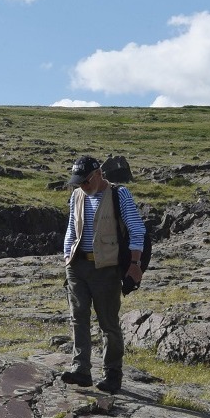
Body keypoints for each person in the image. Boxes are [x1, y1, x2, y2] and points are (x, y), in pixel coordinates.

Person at [61, 155, 146, 394]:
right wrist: (67, 257)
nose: (83, 186)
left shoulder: (120, 195)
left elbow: (137, 229)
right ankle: (81, 369)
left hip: (106, 269)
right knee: (78, 317)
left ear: (98, 174)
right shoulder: (77, 195)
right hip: (77, 266)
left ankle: (112, 374)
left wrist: (134, 264)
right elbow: (71, 227)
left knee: (108, 324)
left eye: (86, 181)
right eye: (79, 183)